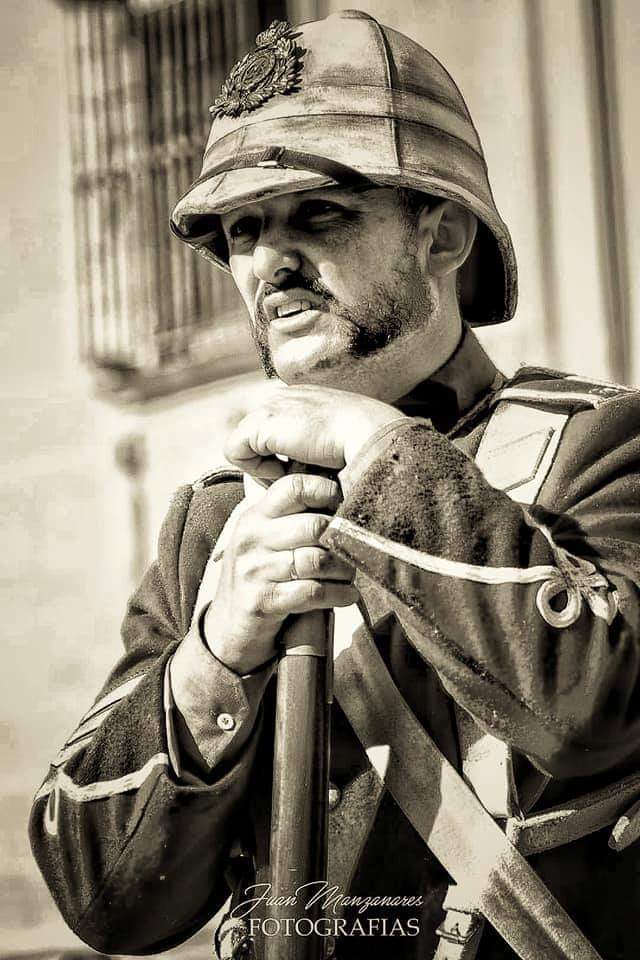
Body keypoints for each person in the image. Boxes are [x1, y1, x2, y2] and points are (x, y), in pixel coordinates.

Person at [30, 11, 640, 960]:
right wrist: (213, 660)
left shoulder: (597, 444)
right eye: (242, 230)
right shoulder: (214, 521)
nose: (270, 262)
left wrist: (382, 451)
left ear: (441, 238)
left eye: (318, 214)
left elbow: (594, 709)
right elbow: (101, 897)